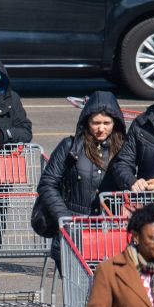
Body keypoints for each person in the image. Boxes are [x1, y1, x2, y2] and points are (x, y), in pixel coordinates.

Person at [36, 90, 126, 267]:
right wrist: (65, 218)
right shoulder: (69, 147)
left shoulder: (125, 149)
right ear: (87, 122)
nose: (101, 128)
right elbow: (47, 184)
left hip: (111, 234)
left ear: (115, 123)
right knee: (77, 292)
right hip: (73, 232)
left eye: (107, 123)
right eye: (96, 123)